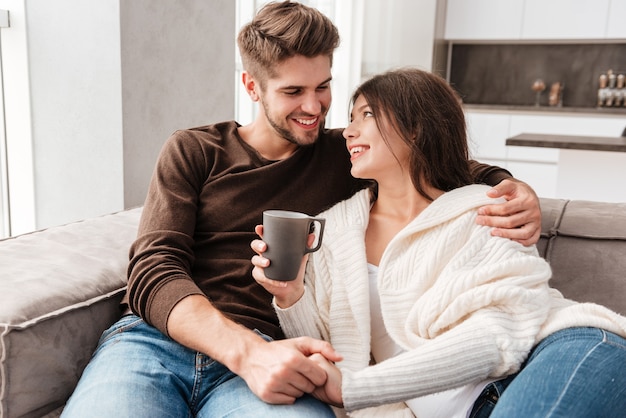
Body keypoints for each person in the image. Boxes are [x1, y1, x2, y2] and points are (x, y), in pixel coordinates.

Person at [63, 2, 542, 417]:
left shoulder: (349, 154)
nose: (315, 107)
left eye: (324, 86)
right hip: (155, 346)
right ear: (252, 87)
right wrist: (245, 353)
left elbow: (441, 160)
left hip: (279, 351)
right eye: (293, 92)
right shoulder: (195, 150)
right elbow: (153, 269)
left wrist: (511, 187)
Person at [251, 68, 626, 418]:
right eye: (350, 118)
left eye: (365, 115)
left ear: (415, 128)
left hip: (559, 354)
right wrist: (290, 294)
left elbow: (497, 335)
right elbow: (329, 355)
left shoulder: (485, 210)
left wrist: (353, 388)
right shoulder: (332, 230)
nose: (348, 131)